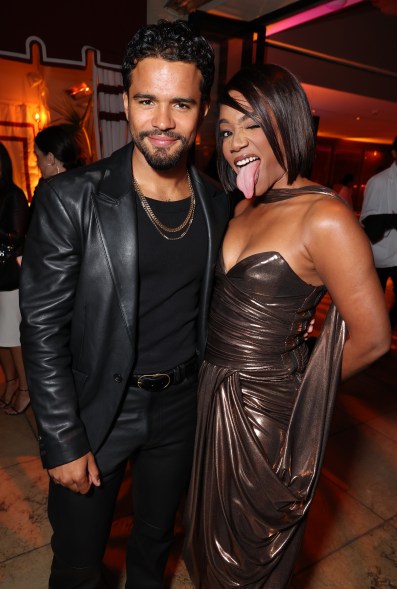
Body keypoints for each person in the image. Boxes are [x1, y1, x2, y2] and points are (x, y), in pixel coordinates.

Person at [19, 20, 230, 589]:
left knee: (155, 544)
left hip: (181, 406)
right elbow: (41, 328)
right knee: (80, 562)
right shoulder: (71, 198)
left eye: (180, 103)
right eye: (147, 101)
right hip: (98, 410)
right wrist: (62, 438)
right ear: (126, 103)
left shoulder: (217, 201)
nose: (162, 122)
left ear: (202, 109)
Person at [183, 63, 391, 588]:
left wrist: (300, 394)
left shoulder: (326, 217)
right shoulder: (243, 208)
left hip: (268, 417)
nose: (234, 143)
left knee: (248, 563)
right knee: (209, 548)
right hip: (214, 396)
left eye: (250, 124)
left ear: (286, 121)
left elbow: (372, 339)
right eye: (226, 131)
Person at [0, 142, 30, 414]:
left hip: (9, 276)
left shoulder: (13, 194)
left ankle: (24, 388)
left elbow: (17, 237)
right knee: (1, 337)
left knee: (12, 336)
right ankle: (10, 382)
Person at [360, 137, 397, 329]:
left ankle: (387, 329)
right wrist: (391, 220)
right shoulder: (378, 181)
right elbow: (367, 220)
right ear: (394, 153)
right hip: (380, 253)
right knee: (374, 301)